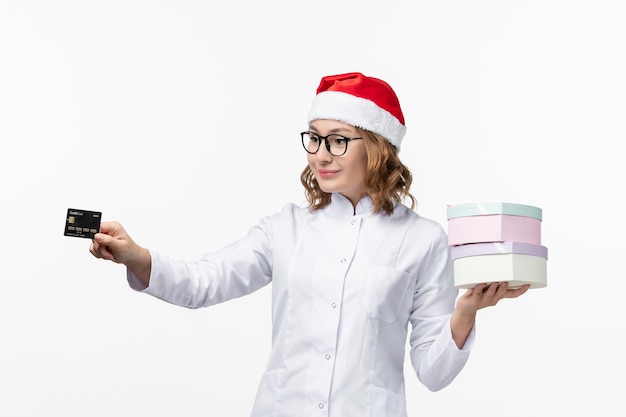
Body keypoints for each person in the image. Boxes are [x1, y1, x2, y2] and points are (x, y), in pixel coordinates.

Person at [90, 72, 530, 417]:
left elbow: (433, 373)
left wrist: (467, 310)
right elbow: (205, 282)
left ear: (377, 148)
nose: (320, 153)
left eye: (338, 140)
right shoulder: (285, 229)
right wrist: (137, 256)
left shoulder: (424, 240)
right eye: (314, 137)